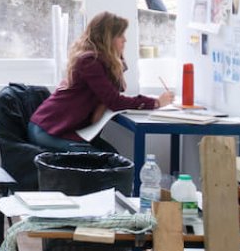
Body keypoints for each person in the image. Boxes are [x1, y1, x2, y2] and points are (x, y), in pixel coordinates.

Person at [28, 12, 173, 153]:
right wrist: (155, 103)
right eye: (120, 35)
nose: (125, 40)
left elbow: (117, 89)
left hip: (63, 129)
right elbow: (114, 100)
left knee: (112, 157)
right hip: (48, 129)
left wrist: (117, 59)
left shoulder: (100, 61)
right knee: (102, 161)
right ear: (107, 38)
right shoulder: (89, 61)